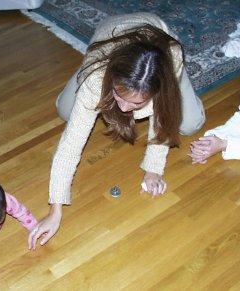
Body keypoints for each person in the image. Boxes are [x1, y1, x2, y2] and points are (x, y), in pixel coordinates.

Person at [28, 12, 205, 248]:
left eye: (135, 104)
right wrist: (55, 209)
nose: (124, 108)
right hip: (106, 44)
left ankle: (174, 94)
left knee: (190, 124)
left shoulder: (172, 61)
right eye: (119, 96)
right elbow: (70, 146)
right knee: (66, 112)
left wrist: (153, 169)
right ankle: (86, 76)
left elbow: (162, 120)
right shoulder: (98, 78)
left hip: (160, 41)